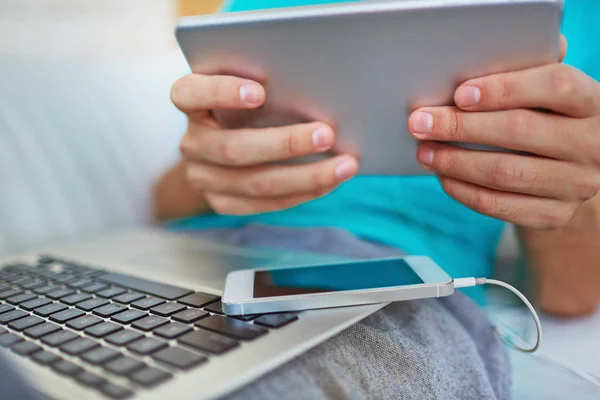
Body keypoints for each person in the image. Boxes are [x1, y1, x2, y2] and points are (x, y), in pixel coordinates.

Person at [152, 0, 600, 398]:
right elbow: (164, 201)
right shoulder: (253, 7)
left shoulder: (572, 15)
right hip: (187, 255)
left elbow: (572, 294)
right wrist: (212, 166)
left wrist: (557, 182)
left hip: (388, 280)